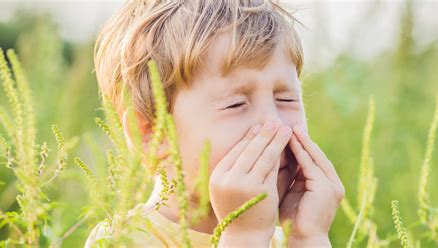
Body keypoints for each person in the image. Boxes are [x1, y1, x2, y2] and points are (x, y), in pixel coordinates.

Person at [85, 0, 345, 247]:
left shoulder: (286, 240)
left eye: (286, 99)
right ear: (153, 134)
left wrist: (307, 238)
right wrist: (244, 238)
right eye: (236, 104)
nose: (274, 124)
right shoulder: (121, 240)